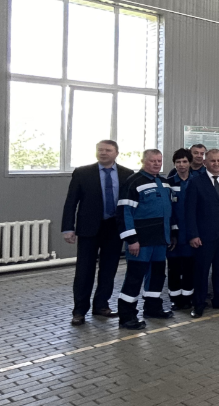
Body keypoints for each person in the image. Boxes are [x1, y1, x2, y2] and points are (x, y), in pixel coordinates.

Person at [62, 140, 133, 325]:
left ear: (116, 153)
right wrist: (68, 228)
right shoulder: (82, 173)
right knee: (84, 270)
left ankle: (101, 305)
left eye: (108, 150)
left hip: (114, 228)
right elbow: (71, 202)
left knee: (109, 270)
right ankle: (79, 311)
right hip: (88, 228)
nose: (103, 153)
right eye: (100, 150)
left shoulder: (127, 174)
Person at [113, 149, 173, 330]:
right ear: (143, 161)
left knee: (157, 275)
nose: (156, 164)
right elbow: (124, 213)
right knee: (135, 277)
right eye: (152, 161)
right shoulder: (133, 182)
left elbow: (170, 211)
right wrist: (131, 239)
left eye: (159, 161)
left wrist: (172, 234)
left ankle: (152, 308)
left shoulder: (164, 182)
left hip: (160, 240)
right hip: (141, 242)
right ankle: (127, 316)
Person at [185, 148, 219, 316]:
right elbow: (190, 211)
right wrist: (193, 234)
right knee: (201, 271)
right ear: (205, 162)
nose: (216, 163)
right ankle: (199, 303)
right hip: (203, 235)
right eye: (212, 160)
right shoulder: (196, 182)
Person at [166, 149, 197, 315]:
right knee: (174, 268)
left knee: (189, 268)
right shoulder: (168, 183)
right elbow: (167, 210)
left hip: (191, 233)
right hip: (174, 236)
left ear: (190, 163)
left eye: (184, 161)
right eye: (178, 162)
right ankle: (175, 299)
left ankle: (187, 298)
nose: (181, 165)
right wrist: (172, 231)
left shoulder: (197, 181)